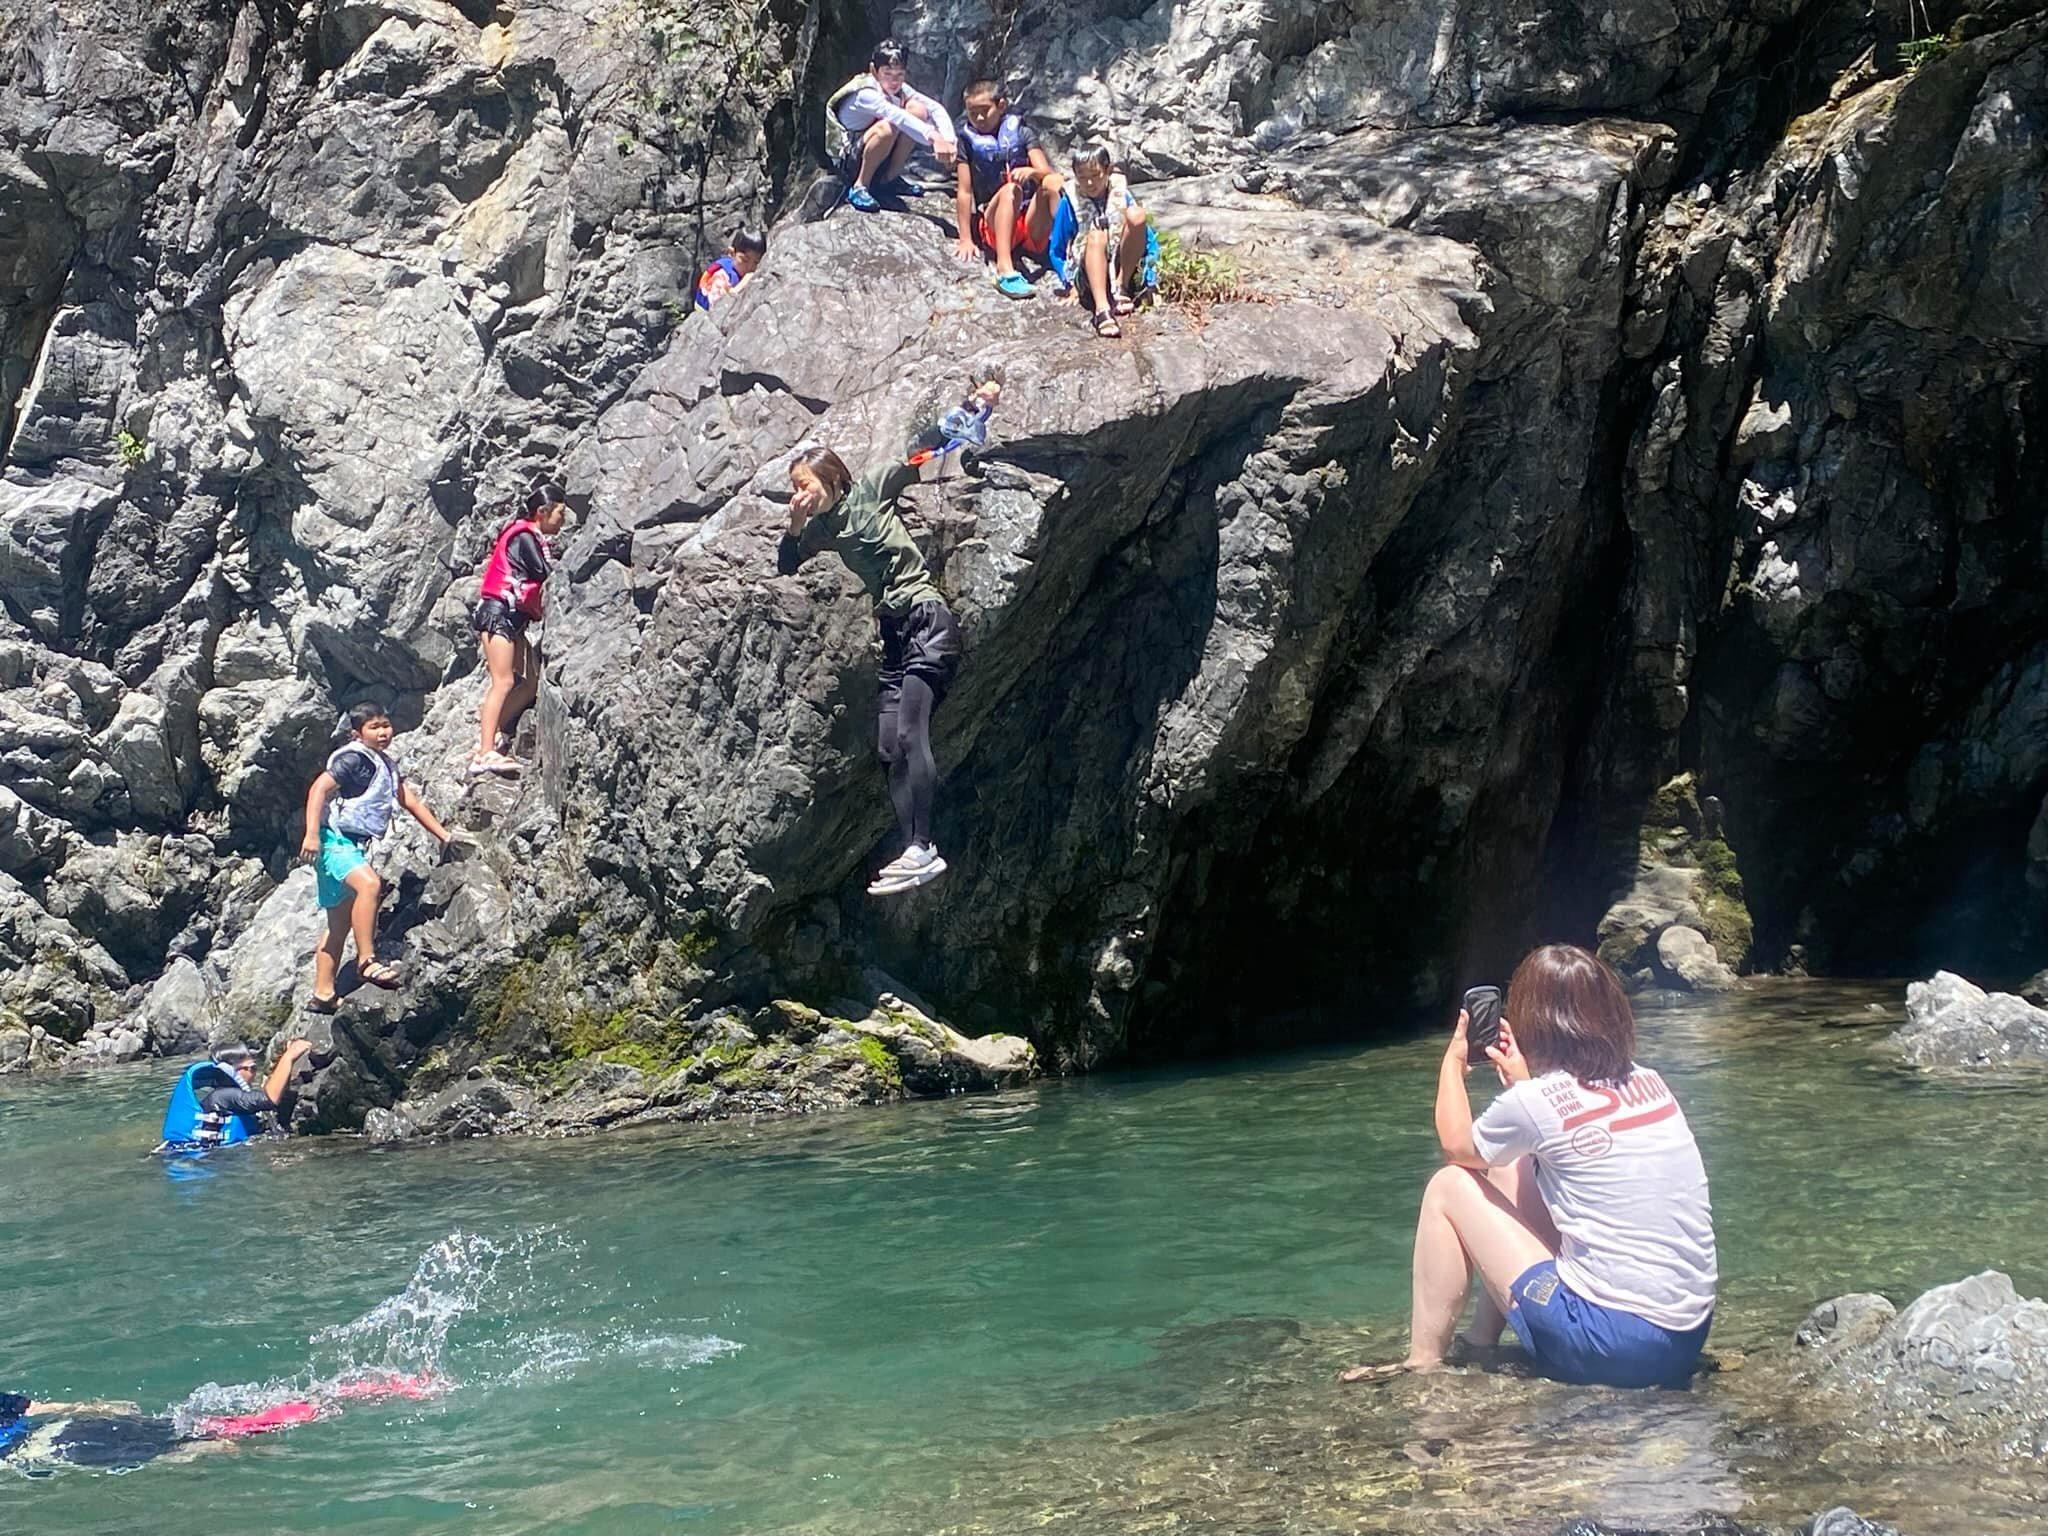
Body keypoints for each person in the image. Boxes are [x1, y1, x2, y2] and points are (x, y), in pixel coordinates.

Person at [1341, 944, 1717, 1389]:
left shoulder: (1536, 1103)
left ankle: (1424, 1365)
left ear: (1531, 1020)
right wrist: (1526, 1084)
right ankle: (1480, 1343)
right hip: (1684, 1337)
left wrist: (1452, 1064)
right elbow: (1569, 1137)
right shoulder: (1649, 1080)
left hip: (1606, 1347)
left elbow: (1456, 1147)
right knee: (1511, 1168)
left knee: (1448, 1187)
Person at [775, 377, 1000, 894]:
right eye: (796, 487)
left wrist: (971, 407)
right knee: (885, 747)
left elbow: (920, 451)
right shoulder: (823, 529)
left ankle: (924, 847)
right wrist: (793, 525)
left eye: (805, 485)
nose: (800, 494)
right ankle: (911, 847)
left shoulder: (872, 487)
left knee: (908, 733)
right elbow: (786, 565)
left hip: (926, 618)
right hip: (895, 633)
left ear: (832, 478)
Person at [299, 703, 455, 1010]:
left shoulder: (384, 764)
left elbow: (408, 800)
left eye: (386, 725)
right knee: (370, 886)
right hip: (333, 842)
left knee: (339, 925)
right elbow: (318, 789)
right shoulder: (353, 758)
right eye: (374, 727)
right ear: (358, 733)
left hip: (352, 845)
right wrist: (312, 835)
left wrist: (444, 835)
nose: (383, 732)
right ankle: (366, 960)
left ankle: (323, 994)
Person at [1, 1373, 437, 1476]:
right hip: (75, 1428)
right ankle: (346, 1391)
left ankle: (343, 1399)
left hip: (58, 1449)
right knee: (212, 1425)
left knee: (201, 1447)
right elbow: (39, 1406)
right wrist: (107, 1409)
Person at [470, 484, 567, 777]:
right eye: (560, 512)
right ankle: (484, 751)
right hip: (498, 614)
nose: (563, 520)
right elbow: (544, 573)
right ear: (543, 512)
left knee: (530, 682)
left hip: (513, 620)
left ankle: (495, 729)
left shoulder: (529, 535)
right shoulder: (525, 535)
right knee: (503, 681)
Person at [952, 80, 1062, 299]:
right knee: (1011, 190)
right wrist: (965, 237)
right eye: (973, 113)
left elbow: (1048, 174)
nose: (980, 119)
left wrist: (1032, 173)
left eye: (985, 111)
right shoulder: (966, 140)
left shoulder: (1022, 132)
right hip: (994, 222)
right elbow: (964, 191)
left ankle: (1068, 252)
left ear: (1001, 105)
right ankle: (1005, 269)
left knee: (1053, 184)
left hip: (1028, 223)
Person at [825, 38, 957, 213]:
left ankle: (889, 179)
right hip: (849, 160)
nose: (894, 81)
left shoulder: (899, 88)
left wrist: (949, 141)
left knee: (918, 110)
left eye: (899, 75)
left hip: (880, 153)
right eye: (887, 74)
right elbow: (898, 117)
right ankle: (860, 186)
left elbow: (934, 108)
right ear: (874, 71)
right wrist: (934, 138)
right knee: (888, 127)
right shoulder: (865, 94)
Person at [1046, 143, 1157, 338]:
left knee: (1137, 214)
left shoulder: (1122, 194)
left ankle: (1122, 288)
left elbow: (1149, 240)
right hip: (1089, 273)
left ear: (1108, 170)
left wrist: (1150, 277)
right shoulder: (1069, 201)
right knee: (1096, 234)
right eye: (1082, 178)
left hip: (1122, 264)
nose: (1089, 183)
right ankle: (1102, 310)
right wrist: (1069, 284)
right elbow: (1056, 249)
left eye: (1095, 175)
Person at [156, 1039, 318, 1153]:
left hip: (201, 1157)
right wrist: (289, 1057)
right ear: (234, 1070)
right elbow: (270, 1098)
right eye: (252, 1068)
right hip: (197, 1159)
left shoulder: (224, 1097)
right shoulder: (225, 1096)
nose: (255, 1074)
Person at [696, 228, 766, 311]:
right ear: (732, 253)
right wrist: (739, 288)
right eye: (744, 260)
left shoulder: (742, 271)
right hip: (704, 311)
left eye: (756, 262)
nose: (750, 267)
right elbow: (716, 306)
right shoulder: (722, 275)